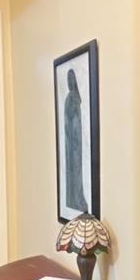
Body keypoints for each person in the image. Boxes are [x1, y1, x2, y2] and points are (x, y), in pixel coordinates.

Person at [64, 69, 88, 212]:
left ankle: (77, 197)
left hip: (76, 141)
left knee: (77, 169)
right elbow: (68, 118)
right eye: (69, 79)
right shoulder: (70, 98)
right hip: (72, 141)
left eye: (72, 79)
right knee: (73, 169)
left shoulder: (75, 97)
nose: (70, 82)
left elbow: (77, 118)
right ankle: (73, 198)